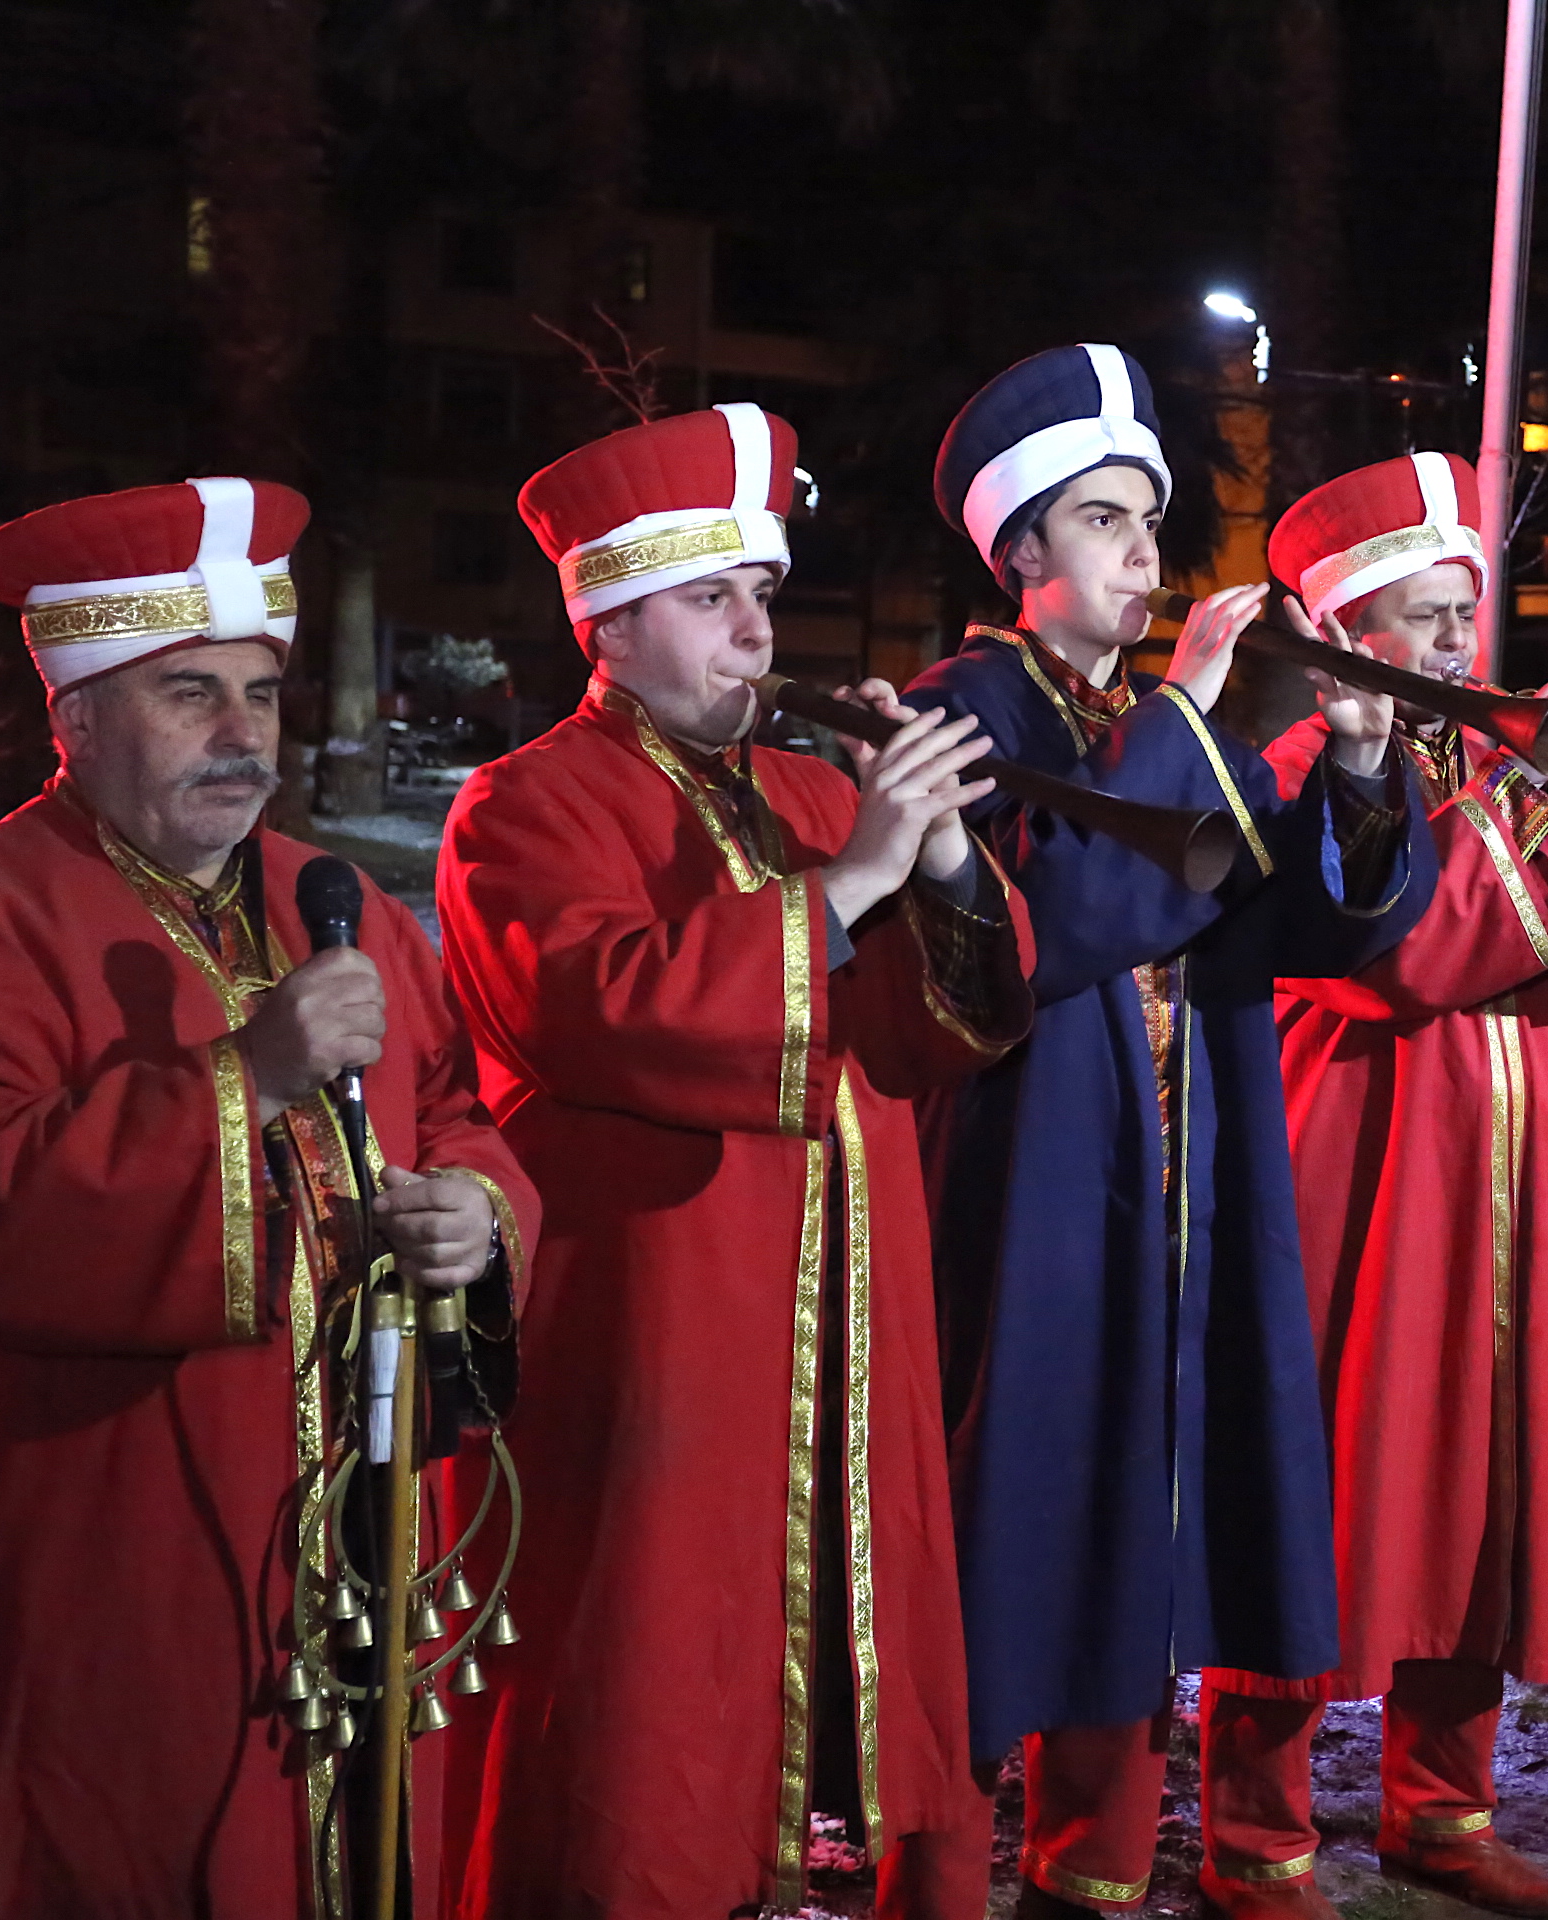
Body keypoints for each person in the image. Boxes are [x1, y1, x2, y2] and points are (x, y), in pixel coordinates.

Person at [0, 477, 536, 1916]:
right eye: (187, 696)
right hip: (96, 1556)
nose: (241, 738)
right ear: (75, 718)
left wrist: (476, 1211)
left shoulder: (325, 898)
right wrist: (247, 1078)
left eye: (260, 696)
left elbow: (459, 1109)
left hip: (352, 1532)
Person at [438, 403, 1034, 1920]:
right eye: (713, 602)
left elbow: (946, 1031)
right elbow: (601, 1009)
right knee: (650, 1653)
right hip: (657, 1317)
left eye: (762, 598)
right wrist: (844, 891)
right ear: (612, 627)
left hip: (848, 1315)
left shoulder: (814, 789)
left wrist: (951, 856)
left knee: (857, 1632)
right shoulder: (524, 803)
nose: (756, 637)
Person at [903, 343, 1434, 1920]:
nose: (1148, 552)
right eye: (1105, 520)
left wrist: (1352, 761)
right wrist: (1193, 712)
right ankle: (932, 1882)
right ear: (1017, 554)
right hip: (1027, 1195)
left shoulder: (1135, 716)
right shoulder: (962, 712)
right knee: (1002, 1536)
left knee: (1147, 1512)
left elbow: (1296, 933)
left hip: (1186, 1177)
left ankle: (1098, 1873)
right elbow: (1046, 926)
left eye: (1151, 518)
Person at [1196, 453, 1548, 1920]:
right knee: (1324, 1476)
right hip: (1356, 1165)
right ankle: (1255, 1830)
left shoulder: (1482, 764)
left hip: (1503, 1169)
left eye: (1467, 614)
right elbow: (1398, 954)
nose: (1461, 647)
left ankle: (1440, 1806)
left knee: (1485, 1481)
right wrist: (1525, 799)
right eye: (1427, 616)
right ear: (1347, 634)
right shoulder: (1292, 771)